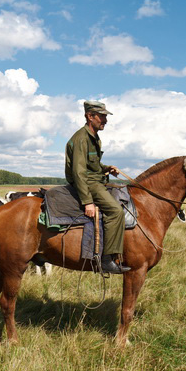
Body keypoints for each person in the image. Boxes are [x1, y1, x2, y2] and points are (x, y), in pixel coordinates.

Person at [65, 100, 131, 274]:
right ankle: (107, 259)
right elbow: (79, 172)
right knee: (116, 211)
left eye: (105, 116)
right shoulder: (81, 139)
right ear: (89, 116)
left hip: (95, 179)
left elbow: (92, 165)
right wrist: (87, 201)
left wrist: (105, 168)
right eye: (102, 116)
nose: (105, 120)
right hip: (89, 183)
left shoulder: (93, 137)